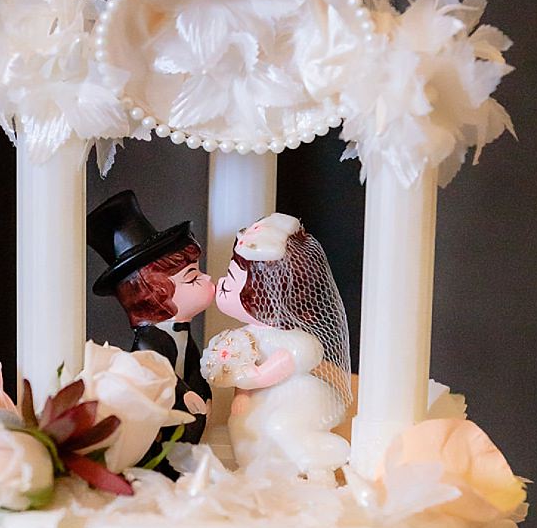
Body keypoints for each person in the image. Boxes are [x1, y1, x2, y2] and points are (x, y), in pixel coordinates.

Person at [202, 214, 353, 480]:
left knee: (281, 426)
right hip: (260, 399)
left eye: (232, 279)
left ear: (264, 292)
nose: (222, 284)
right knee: (244, 427)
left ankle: (318, 466)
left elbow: (294, 358)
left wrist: (255, 377)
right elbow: (244, 362)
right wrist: (241, 394)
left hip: (294, 397)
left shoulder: (291, 338)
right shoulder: (245, 335)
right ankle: (263, 471)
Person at [86, 190, 214, 415]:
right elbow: (157, 373)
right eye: (193, 278)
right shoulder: (148, 341)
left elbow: (193, 368)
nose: (208, 279)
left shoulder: (183, 333)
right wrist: (185, 393)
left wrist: (203, 391)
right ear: (154, 294)